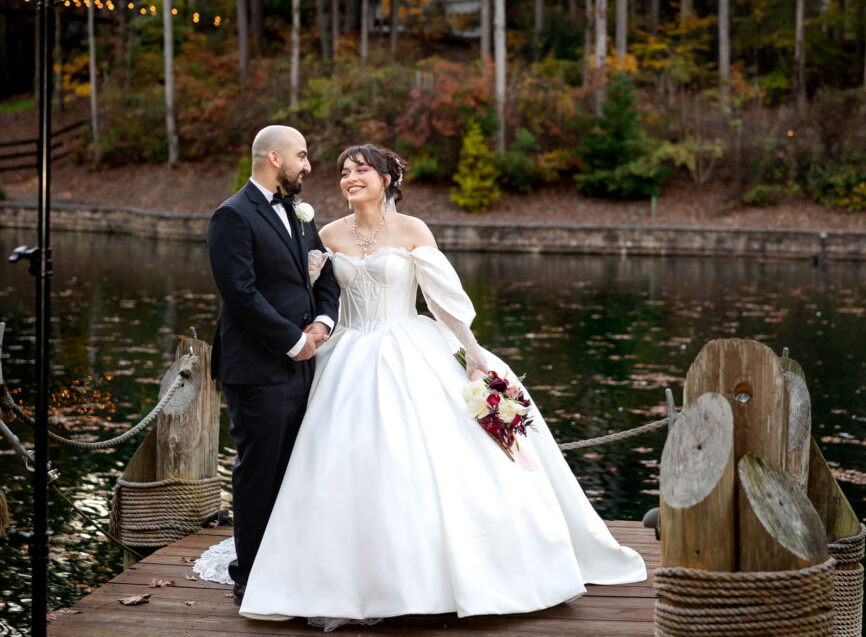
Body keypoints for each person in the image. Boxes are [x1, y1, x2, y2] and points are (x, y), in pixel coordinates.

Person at [199, 144, 646, 627]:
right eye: (345, 171)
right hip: (345, 355)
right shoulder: (324, 233)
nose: (350, 177)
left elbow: (443, 300)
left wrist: (474, 355)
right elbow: (310, 293)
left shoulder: (413, 230)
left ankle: (446, 571)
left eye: (362, 170)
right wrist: (310, 322)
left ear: (387, 179)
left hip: (410, 346)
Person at [206, 125, 341, 606]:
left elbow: (324, 275)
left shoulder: (302, 213)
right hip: (257, 368)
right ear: (275, 159)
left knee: (294, 469)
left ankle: (287, 565)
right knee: (259, 472)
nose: (308, 166)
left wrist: (323, 322)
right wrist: (292, 341)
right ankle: (250, 574)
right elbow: (240, 293)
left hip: (305, 364)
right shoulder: (232, 215)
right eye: (302, 156)